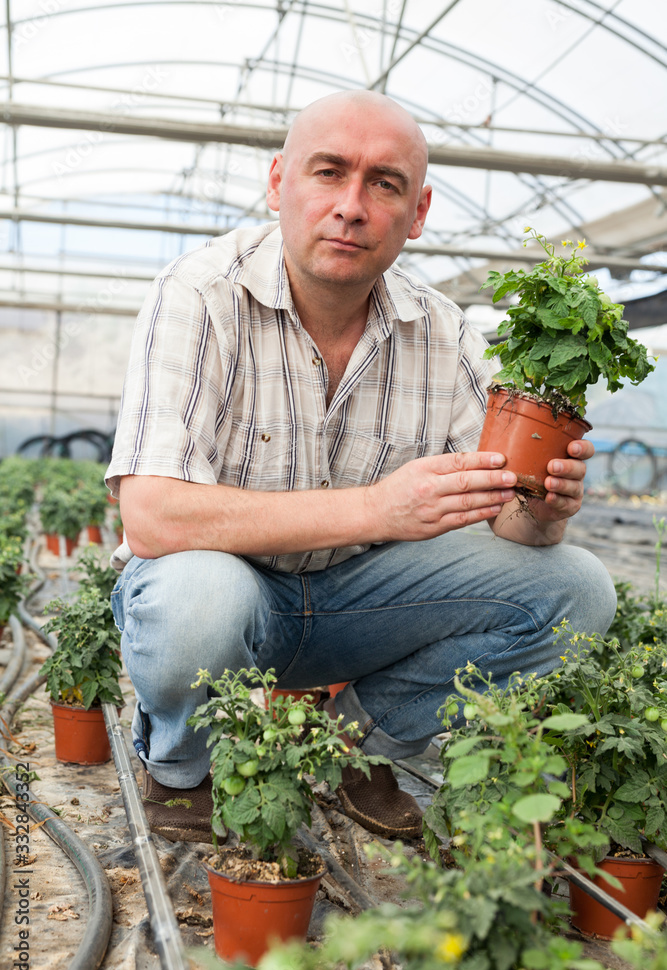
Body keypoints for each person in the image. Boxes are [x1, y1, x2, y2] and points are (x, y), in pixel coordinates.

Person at [106, 90, 617, 843]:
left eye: (384, 183)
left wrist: (541, 510)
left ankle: (353, 745)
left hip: (360, 606)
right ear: (278, 182)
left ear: (418, 212)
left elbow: (510, 523)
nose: (351, 207)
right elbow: (151, 516)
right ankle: (184, 767)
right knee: (197, 600)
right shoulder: (199, 294)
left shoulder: (442, 331)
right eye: (329, 172)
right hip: (228, 597)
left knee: (576, 589)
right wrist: (378, 509)